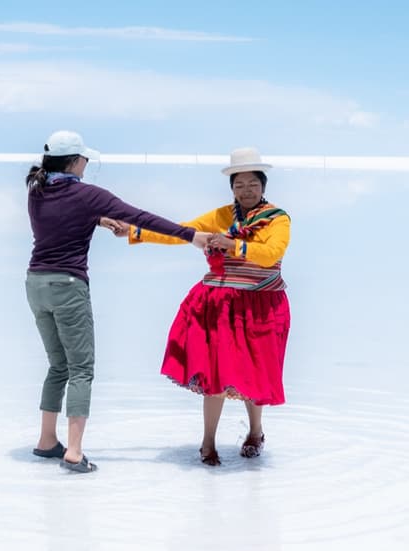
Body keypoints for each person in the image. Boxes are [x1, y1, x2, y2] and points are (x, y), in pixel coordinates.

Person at [25, 130, 210, 473]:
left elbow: (60, 216)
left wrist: (97, 218)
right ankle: (75, 452)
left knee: (58, 365)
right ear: (76, 162)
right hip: (68, 285)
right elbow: (141, 217)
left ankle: (47, 440)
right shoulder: (89, 195)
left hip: (35, 283)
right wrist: (192, 236)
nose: (87, 166)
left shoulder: (37, 191)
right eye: (85, 160)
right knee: (81, 369)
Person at [105, 147, 291, 466]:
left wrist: (233, 245)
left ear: (263, 186)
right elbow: (180, 233)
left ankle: (255, 432)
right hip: (219, 306)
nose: (246, 191)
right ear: (231, 188)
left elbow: (271, 254)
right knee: (215, 375)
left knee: (254, 372)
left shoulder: (278, 219)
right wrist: (134, 232)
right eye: (239, 185)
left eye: (252, 184)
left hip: (260, 305)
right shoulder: (219, 217)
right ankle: (208, 443)